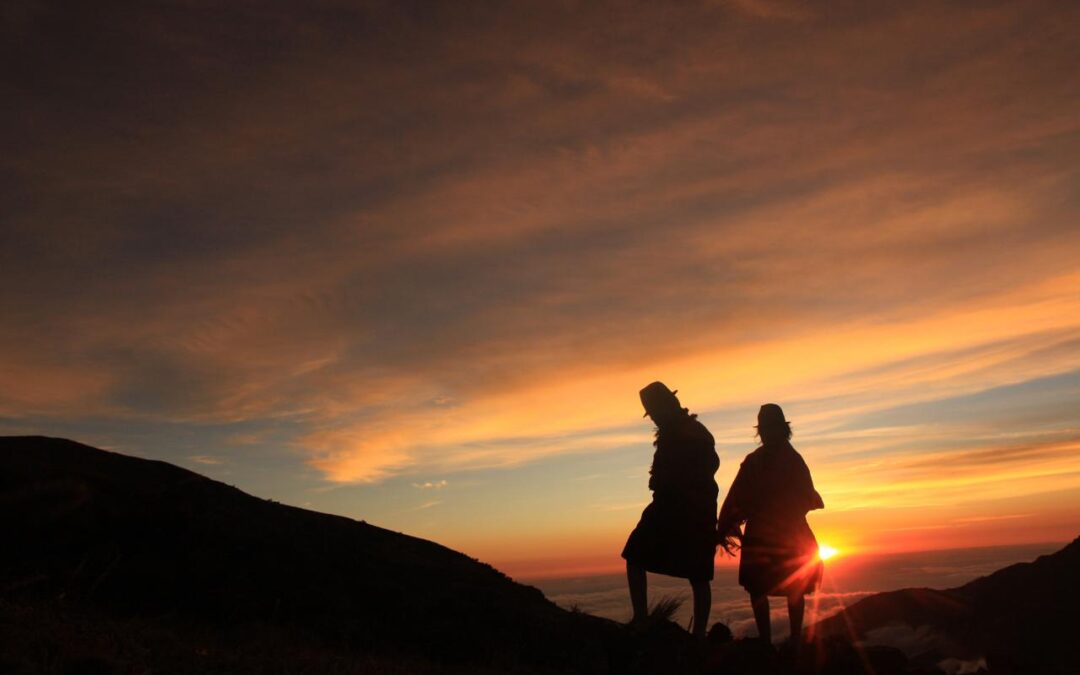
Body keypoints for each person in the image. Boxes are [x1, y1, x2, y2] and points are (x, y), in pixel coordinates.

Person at [717, 403, 824, 650]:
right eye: (763, 428)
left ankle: (793, 640)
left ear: (780, 429)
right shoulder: (763, 461)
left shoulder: (787, 461)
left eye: (768, 427)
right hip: (779, 534)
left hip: (785, 534)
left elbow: (802, 497)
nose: (765, 433)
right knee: (760, 588)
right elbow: (738, 496)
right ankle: (770, 642)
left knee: (791, 587)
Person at [622, 382, 719, 639]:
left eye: (654, 412)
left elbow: (706, 467)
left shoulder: (691, 433)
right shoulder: (681, 432)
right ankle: (644, 619)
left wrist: (669, 481)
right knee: (637, 554)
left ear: (666, 408)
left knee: (696, 572)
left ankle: (695, 634)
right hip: (678, 506)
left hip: (690, 508)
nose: (653, 417)